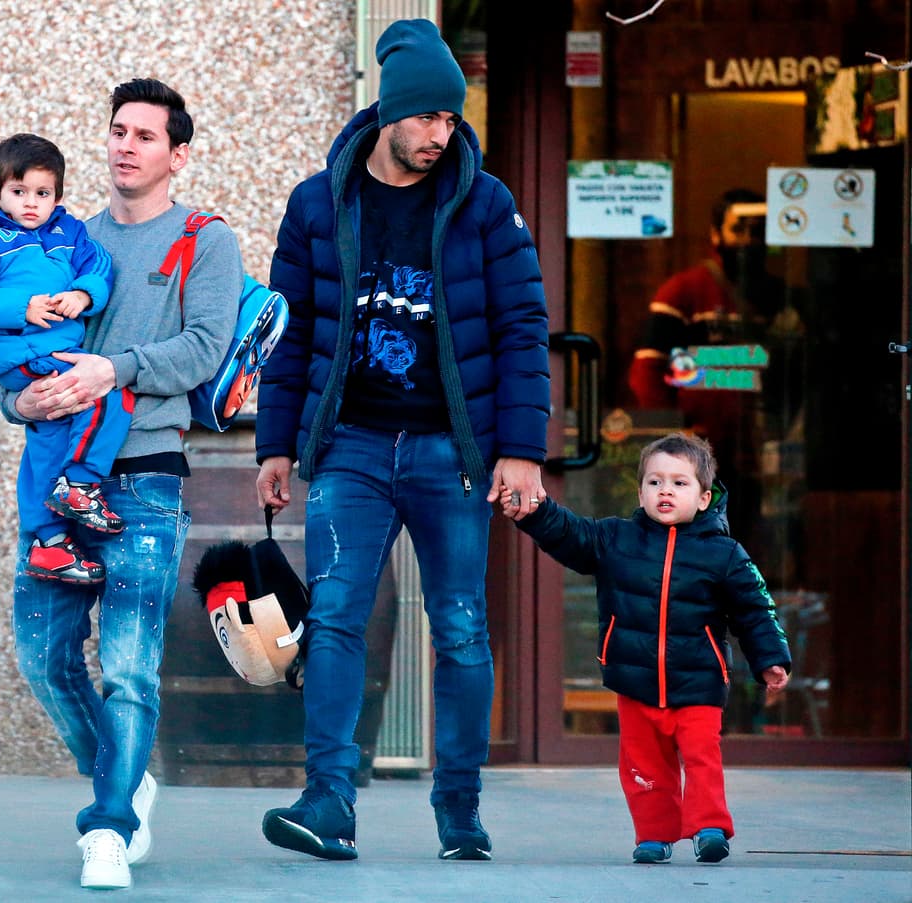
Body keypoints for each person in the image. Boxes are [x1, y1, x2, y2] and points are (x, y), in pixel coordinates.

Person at [254, 18, 551, 863]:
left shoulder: (485, 203)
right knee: (337, 616)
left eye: (452, 121)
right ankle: (329, 801)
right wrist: (277, 444)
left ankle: (459, 810)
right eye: (428, 118)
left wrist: (521, 449)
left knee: (458, 625)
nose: (441, 135)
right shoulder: (321, 201)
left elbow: (524, 328)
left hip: (450, 453)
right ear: (392, 111)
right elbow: (292, 331)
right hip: (349, 444)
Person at [0, 80, 243, 890]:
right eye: (116, 131)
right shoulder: (66, 237)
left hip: (146, 477)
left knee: (129, 667)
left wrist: (117, 369)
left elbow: (206, 346)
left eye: (144, 135)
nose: (124, 146)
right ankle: (126, 781)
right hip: (56, 476)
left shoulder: (205, 240)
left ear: (178, 154)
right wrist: (16, 399)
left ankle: (106, 827)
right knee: (42, 653)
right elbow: (15, 341)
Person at [502, 432, 791, 865]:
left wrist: (769, 658)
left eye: (679, 483)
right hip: (634, 680)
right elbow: (569, 535)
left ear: (704, 496)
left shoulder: (725, 554)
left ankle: (710, 828)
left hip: (698, 681)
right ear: (640, 493)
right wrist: (535, 510)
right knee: (643, 766)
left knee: (701, 759)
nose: (666, 491)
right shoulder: (615, 539)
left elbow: (754, 610)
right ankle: (654, 835)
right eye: (655, 483)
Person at [0, 133, 128, 586]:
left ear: (58, 196)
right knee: (107, 396)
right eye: (18, 192)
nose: (30, 203)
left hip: (56, 350)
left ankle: (48, 544)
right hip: (21, 350)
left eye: (42, 193)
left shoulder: (71, 233)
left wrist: (84, 293)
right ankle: (81, 484)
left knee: (50, 435)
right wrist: (21, 307)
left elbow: (100, 266)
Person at [626, 188, 790, 552]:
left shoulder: (777, 298)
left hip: (755, 454)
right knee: (694, 550)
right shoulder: (683, 292)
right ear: (716, 234)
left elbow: (787, 377)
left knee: (747, 548)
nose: (749, 240)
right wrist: (677, 439)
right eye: (739, 229)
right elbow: (646, 372)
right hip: (697, 458)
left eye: (758, 230)